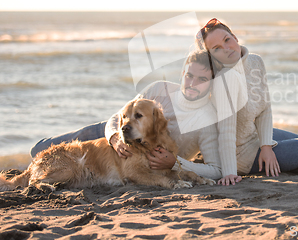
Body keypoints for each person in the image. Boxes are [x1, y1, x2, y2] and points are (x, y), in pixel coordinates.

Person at [30, 50, 222, 180]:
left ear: (213, 83)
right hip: (112, 134)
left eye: (202, 79)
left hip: (140, 156)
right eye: (189, 76)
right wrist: (114, 138)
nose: (192, 84)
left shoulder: (207, 121)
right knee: (39, 150)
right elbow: (118, 117)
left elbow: (216, 170)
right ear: (182, 73)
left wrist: (175, 163)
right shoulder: (159, 89)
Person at [196, 18, 298, 186]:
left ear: (235, 37)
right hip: (240, 153)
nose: (226, 49)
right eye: (217, 49)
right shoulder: (224, 81)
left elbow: (264, 108)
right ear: (212, 56)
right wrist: (230, 173)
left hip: (252, 134)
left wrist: (266, 147)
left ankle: (275, 154)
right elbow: (226, 134)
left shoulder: (255, 62)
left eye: (227, 40)